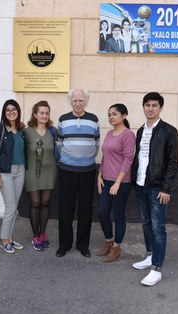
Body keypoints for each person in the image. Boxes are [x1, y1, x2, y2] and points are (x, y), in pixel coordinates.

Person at [131, 92, 178, 286]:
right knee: (145, 223)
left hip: (158, 187)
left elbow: (173, 162)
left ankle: (157, 269)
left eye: (154, 105)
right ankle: (150, 256)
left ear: (160, 108)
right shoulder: (141, 131)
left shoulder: (169, 131)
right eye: (147, 105)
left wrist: (166, 188)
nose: (150, 108)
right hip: (141, 184)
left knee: (158, 228)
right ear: (143, 107)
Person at [56, 89, 100, 258]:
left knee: (85, 209)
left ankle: (83, 245)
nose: (78, 103)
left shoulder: (93, 120)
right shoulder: (63, 120)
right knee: (65, 209)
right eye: (75, 100)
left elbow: (96, 143)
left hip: (88, 171)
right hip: (67, 170)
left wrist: (86, 157)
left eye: (81, 100)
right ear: (71, 102)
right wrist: (70, 157)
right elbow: (59, 144)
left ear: (86, 101)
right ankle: (64, 245)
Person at [96, 103, 135, 263]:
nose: (111, 117)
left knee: (118, 215)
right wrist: (99, 174)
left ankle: (117, 247)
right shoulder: (110, 133)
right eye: (109, 114)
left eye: (115, 114)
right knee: (102, 212)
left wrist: (118, 183)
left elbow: (128, 159)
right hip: (106, 180)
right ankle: (109, 241)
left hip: (121, 182)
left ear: (124, 115)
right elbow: (105, 156)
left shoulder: (128, 135)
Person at [0, 99, 27, 254]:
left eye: (14, 109)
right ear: (4, 113)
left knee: (14, 206)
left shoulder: (21, 130)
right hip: (5, 172)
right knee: (10, 207)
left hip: (20, 170)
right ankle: (4, 239)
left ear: (18, 111)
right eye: (8, 110)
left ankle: (10, 238)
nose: (11, 112)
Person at [24, 101, 58, 251]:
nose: (44, 115)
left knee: (45, 202)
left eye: (47, 113)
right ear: (35, 114)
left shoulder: (53, 131)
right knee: (35, 203)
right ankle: (36, 235)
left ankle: (43, 233)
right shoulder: (27, 132)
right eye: (41, 113)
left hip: (50, 171)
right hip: (32, 171)